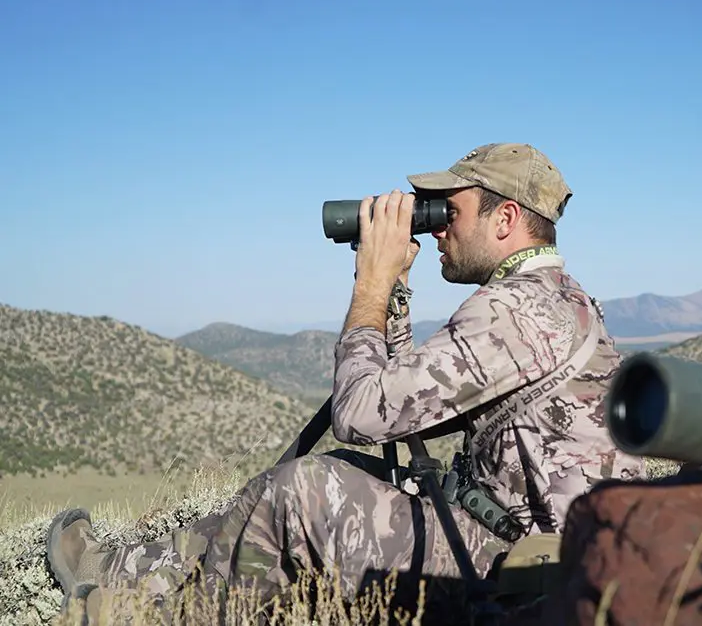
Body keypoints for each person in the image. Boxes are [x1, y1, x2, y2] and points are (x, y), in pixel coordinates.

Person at [46, 142, 646, 622]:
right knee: (333, 475)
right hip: (535, 548)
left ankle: (169, 614)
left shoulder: (515, 312)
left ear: (506, 218)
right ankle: (131, 568)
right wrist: (402, 290)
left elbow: (361, 412)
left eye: (450, 212)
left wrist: (372, 283)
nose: (438, 228)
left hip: (524, 579)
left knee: (304, 490)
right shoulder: (552, 300)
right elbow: (415, 400)